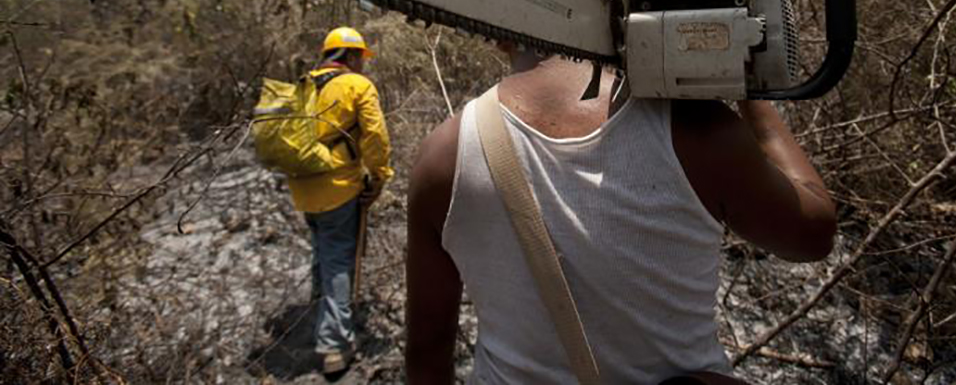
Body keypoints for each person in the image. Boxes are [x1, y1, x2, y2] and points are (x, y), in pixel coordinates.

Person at [405, 37, 836, 382]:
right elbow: (813, 233)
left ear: (500, 39)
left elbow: (425, 360)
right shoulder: (699, 127)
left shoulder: (441, 155)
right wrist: (751, 92)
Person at [290, 26, 393, 375]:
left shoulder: (301, 85)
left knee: (321, 251)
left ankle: (320, 313)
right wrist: (380, 177)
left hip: (302, 189)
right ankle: (334, 346)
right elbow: (376, 137)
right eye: (359, 58)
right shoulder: (357, 85)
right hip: (339, 189)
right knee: (337, 260)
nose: (362, 65)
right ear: (349, 56)